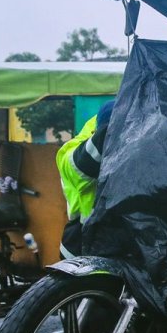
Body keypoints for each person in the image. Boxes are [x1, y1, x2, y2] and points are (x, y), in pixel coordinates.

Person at [56, 100, 116, 257]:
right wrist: (109, 133)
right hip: (82, 246)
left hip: (124, 244)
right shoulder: (72, 151)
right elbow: (80, 166)